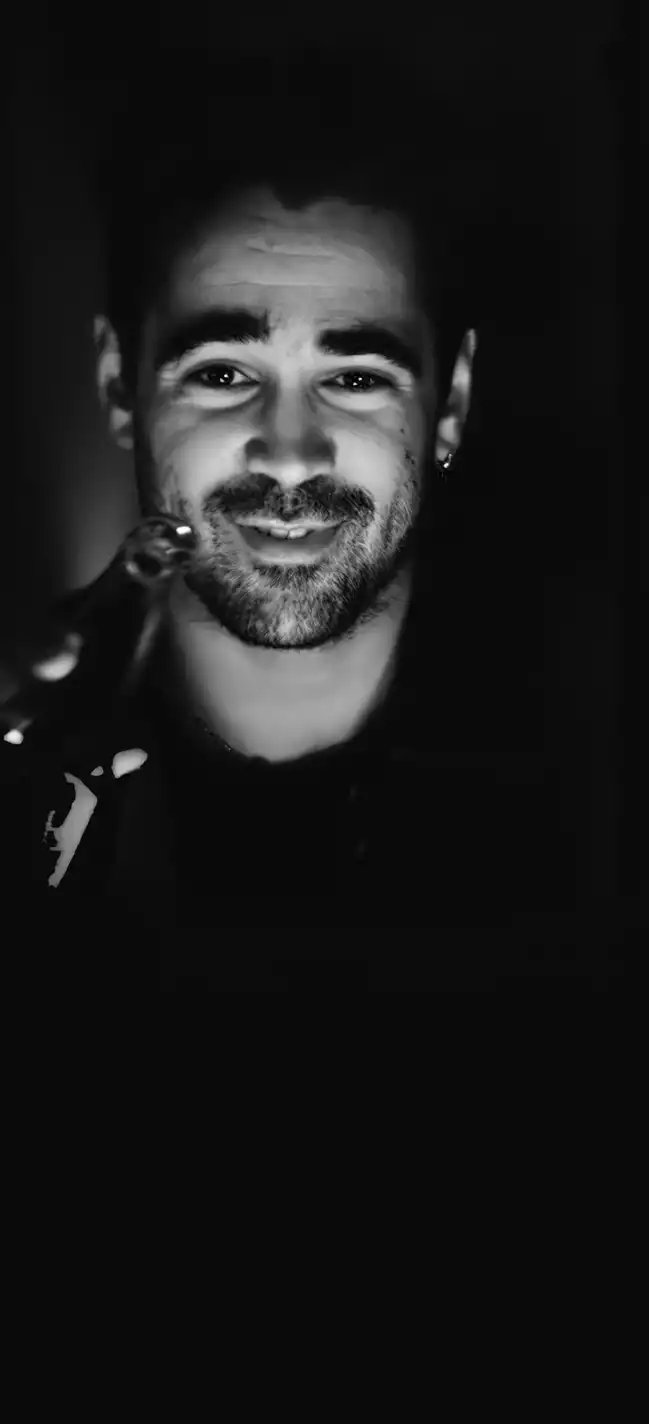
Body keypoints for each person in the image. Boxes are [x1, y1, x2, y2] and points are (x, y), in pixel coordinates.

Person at [0, 50, 592, 989]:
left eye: (354, 378)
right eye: (222, 373)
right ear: (118, 385)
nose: (287, 455)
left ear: (451, 402)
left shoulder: (605, 789)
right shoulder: (25, 763)